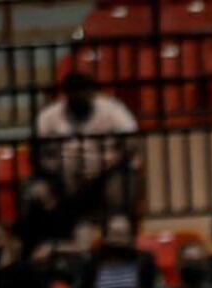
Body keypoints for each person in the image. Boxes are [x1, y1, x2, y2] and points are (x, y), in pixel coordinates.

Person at [34, 71, 140, 215]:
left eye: (84, 90)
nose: (80, 95)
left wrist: (111, 162)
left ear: (92, 92)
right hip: (61, 177)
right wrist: (55, 171)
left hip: (108, 173)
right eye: (74, 91)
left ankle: (117, 230)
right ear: (66, 93)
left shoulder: (112, 109)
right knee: (35, 192)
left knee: (121, 187)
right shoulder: (49, 115)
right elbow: (38, 153)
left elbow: (131, 140)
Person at [71, 210, 157, 288]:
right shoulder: (92, 263)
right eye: (114, 235)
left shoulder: (144, 261)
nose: (118, 241)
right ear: (106, 237)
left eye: (123, 235)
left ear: (131, 238)